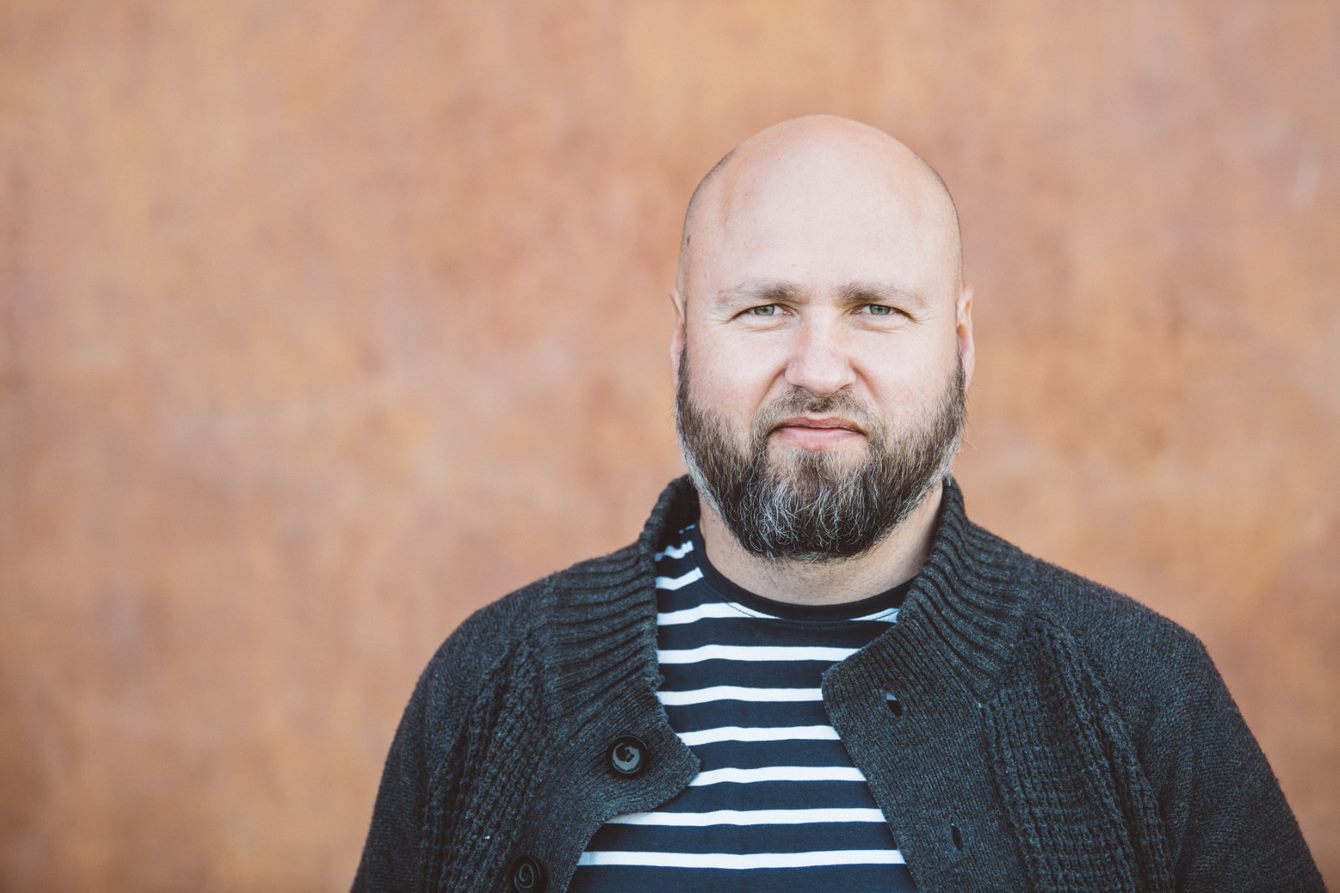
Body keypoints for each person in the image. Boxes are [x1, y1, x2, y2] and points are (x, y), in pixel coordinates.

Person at [352, 115, 1322, 892]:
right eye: (764, 307)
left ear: (961, 345)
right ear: (683, 344)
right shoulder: (489, 682)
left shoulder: (1143, 692)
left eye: (876, 308)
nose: (818, 370)